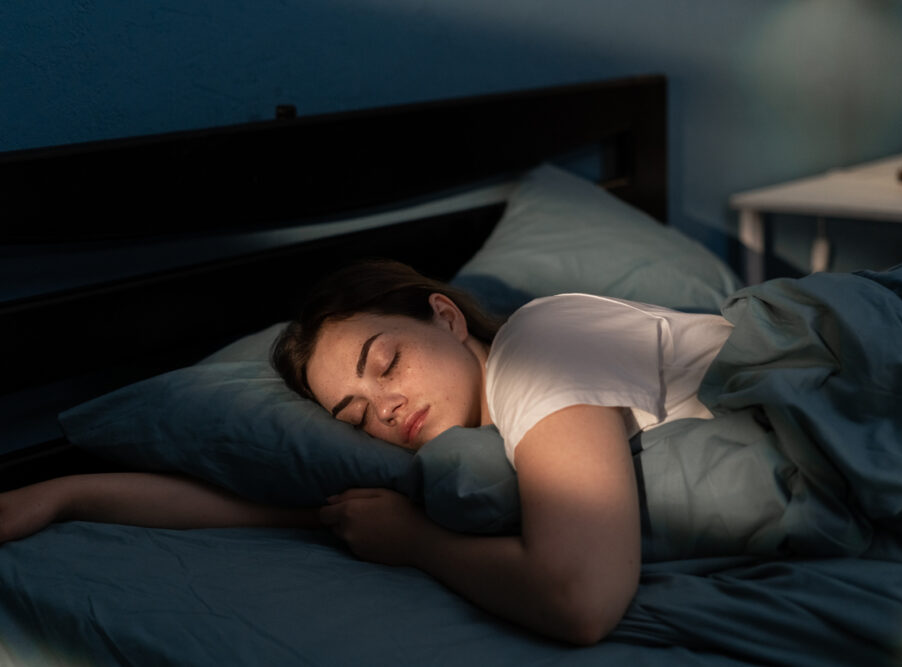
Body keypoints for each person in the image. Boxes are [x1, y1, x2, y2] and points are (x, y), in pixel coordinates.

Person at [0, 258, 734, 645]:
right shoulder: (460, 459)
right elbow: (278, 505)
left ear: (444, 316)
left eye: (386, 363)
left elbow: (581, 600)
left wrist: (417, 545)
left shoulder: (536, 349)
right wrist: (68, 494)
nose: (384, 407)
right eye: (355, 413)